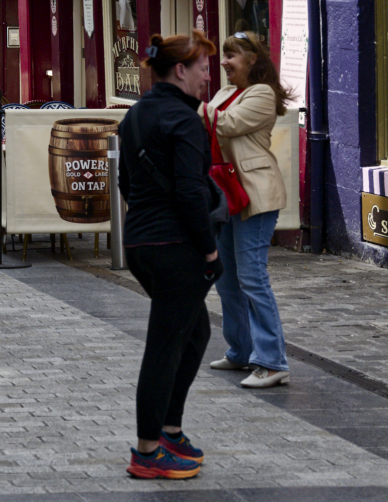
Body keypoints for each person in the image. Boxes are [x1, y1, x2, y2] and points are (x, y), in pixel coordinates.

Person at [118, 31, 223, 480]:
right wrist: (210, 250)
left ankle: (170, 430)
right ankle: (147, 450)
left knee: (195, 333)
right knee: (164, 347)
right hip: (175, 247)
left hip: (141, 243)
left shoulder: (135, 114)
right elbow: (190, 192)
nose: (208, 76)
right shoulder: (184, 120)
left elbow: (125, 182)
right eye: (203, 68)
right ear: (180, 70)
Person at [205, 32, 294, 389]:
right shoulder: (224, 93)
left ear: (252, 60)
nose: (224, 62)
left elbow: (225, 124)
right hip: (225, 193)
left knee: (252, 277)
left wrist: (185, 104)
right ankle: (241, 350)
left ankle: (272, 362)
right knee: (227, 278)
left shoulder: (262, 93)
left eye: (232, 56)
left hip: (255, 194)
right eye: (224, 55)